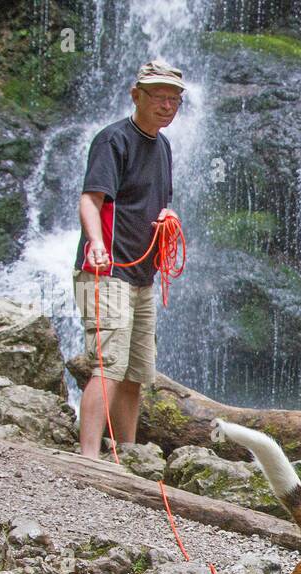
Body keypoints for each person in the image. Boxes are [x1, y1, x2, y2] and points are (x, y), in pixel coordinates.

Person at [74, 58, 185, 459]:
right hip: (105, 271)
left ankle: (128, 452)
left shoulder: (164, 146)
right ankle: (88, 457)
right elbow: (91, 198)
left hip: (142, 275)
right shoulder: (113, 140)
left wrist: (167, 217)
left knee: (136, 371)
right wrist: (96, 243)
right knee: (108, 364)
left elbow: (161, 203)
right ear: (136, 95)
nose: (167, 105)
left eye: (174, 99)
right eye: (159, 96)